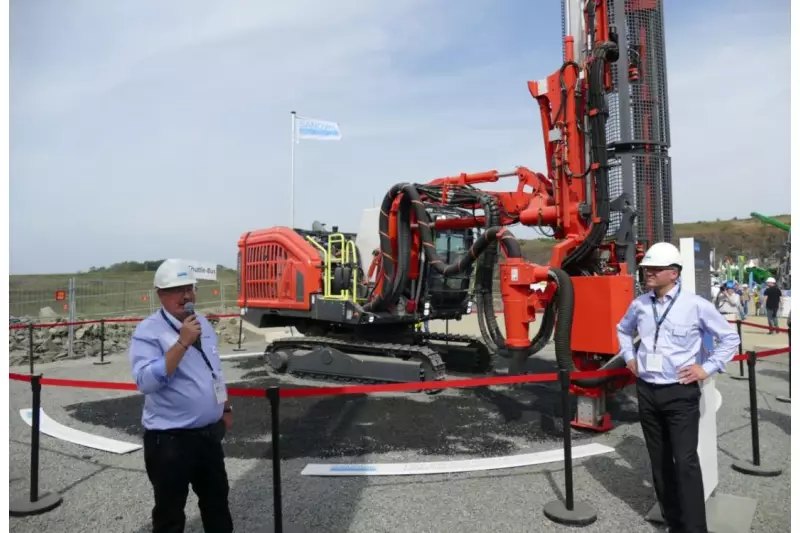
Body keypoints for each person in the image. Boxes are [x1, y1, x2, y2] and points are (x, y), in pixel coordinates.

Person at [617, 242, 739, 533]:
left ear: (673, 273)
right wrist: (629, 357)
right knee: (659, 462)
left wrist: (705, 368)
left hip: (680, 392)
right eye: (646, 268)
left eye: (654, 269)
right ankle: (673, 524)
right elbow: (623, 329)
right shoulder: (640, 305)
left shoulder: (696, 305)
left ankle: (695, 529)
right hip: (647, 391)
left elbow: (729, 339)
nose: (647, 273)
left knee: (685, 463)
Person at [128, 259, 234, 533]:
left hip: (208, 436)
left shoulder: (203, 326)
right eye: (177, 289)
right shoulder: (148, 331)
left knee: (217, 504)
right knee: (170, 513)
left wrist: (225, 407)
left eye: (190, 288)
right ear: (160, 294)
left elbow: (214, 370)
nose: (186, 296)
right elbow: (145, 381)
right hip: (170, 441)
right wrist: (182, 342)